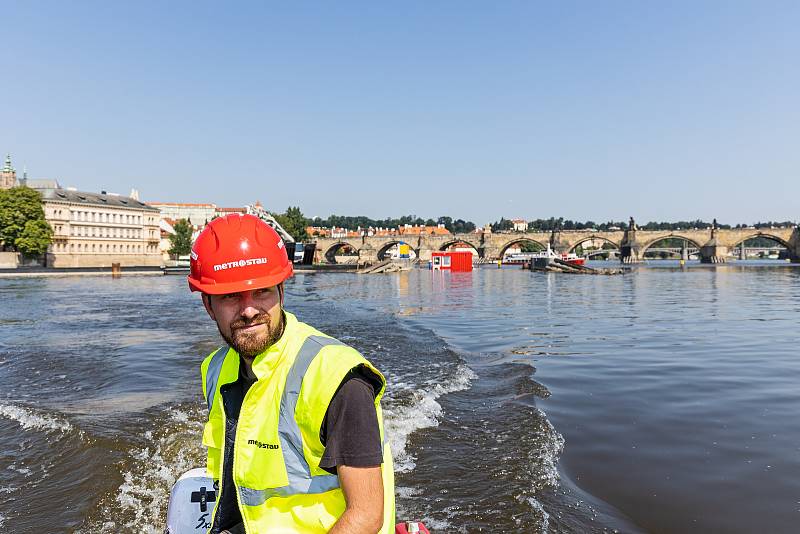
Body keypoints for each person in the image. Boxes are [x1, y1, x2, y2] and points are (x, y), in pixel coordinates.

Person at [188, 213, 395, 533]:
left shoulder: (338, 378)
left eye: (262, 291)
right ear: (208, 305)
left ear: (281, 292)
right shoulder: (215, 368)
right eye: (231, 296)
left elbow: (365, 516)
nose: (249, 310)